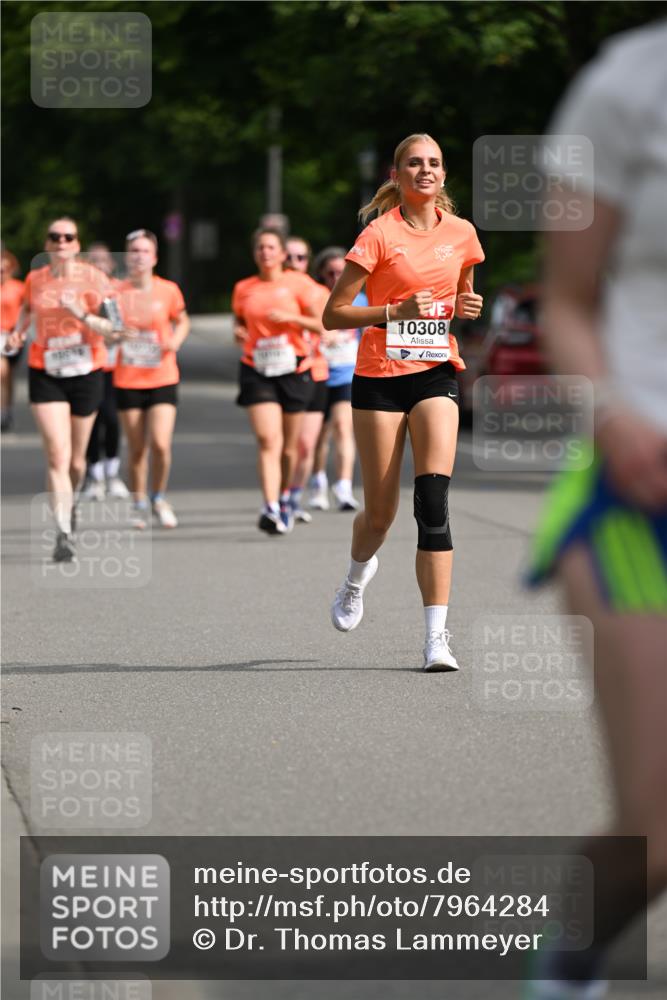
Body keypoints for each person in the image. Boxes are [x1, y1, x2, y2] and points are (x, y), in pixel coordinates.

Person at [525, 21, 667, 1000]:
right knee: (658, 827)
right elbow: (564, 299)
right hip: (638, 495)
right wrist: (614, 416)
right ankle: (570, 958)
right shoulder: (625, 88)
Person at [323, 133, 484, 670]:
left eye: (435, 163)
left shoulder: (462, 234)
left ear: (443, 174)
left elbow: (459, 299)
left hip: (436, 371)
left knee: (433, 504)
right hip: (379, 379)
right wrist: (392, 311)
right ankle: (355, 576)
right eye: (415, 163)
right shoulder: (378, 234)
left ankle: (437, 637)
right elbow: (334, 313)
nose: (426, 171)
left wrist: (468, 305)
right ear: (396, 174)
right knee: (380, 514)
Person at [7, 216, 113, 562]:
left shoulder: (95, 279)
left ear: (77, 244)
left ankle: (75, 495)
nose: (62, 242)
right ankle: (63, 531)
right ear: (48, 244)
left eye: (69, 237)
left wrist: (81, 313)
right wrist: (18, 331)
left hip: (86, 372)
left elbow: (115, 329)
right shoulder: (36, 279)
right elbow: (25, 309)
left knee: (77, 461)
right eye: (55, 237)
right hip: (46, 372)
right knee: (57, 455)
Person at [232, 227, 325, 535]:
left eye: (271, 247)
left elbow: (323, 323)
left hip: (295, 370)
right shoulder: (244, 287)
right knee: (267, 440)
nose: (265, 252)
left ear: (283, 254)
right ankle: (270, 506)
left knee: (289, 448)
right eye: (260, 247)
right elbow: (240, 320)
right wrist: (239, 332)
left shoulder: (299, 284)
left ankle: (285, 497)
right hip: (256, 369)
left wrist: (294, 320)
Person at [112, 229, 189, 529]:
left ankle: (158, 497)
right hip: (128, 378)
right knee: (136, 447)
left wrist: (176, 340)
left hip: (162, 376)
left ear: (154, 257)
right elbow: (105, 328)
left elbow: (182, 320)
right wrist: (115, 333)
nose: (139, 256)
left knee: (160, 443)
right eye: (133, 251)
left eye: (144, 251)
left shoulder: (168, 290)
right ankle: (139, 502)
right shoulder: (115, 292)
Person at [310, 246, 365, 512]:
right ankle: (318, 484)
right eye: (330, 273)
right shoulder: (314, 297)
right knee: (320, 435)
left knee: (343, 427)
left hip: (347, 373)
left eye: (340, 273)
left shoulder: (362, 299)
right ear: (321, 274)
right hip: (317, 374)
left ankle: (343, 486)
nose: (335, 278)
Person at [283, 235, 329, 524]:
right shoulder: (265, 289)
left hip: (314, 371)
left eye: (300, 258)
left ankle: (293, 496)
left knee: (305, 445)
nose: (294, 263)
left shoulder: (317, 291)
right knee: (282, 443)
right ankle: (278, 496)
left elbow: (330, 327)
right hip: (279, 374)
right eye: (289, 257)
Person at [80, 242, 129, 500]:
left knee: (110, 419)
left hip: (113, 366)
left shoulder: (117, 293)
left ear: (111, 265)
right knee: (92, 420)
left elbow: (121, 330)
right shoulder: (81, 293)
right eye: (93, 261)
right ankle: (93, 475)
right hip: (87, 366)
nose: (99, 266)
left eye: (103, 261)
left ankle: (112, 473)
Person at [0, 249, 25, 432]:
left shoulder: (18, 288)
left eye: (4, 270)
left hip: (12, 336)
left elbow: (28, 312)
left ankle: (7, 408)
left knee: (8, 376)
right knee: (2, 370)